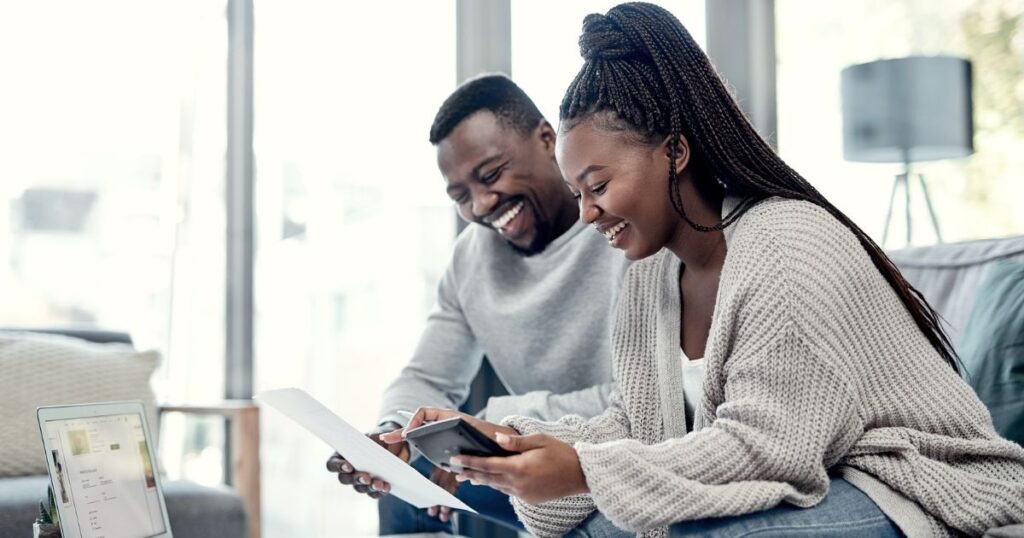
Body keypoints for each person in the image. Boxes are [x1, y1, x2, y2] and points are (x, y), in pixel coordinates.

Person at [385, 4, 1024, 537]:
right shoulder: (648, 278)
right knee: (601, 524)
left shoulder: (787, 244)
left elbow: (767, 447)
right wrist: (514, 438)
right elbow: (635, 427)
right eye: (578, 191)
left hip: (908, 484)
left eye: (599, 184)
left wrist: (585, 471)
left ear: (676, 151)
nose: (587, 215)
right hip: (815, 474)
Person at [326, 74, 631, 534]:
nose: (482, 203)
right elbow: (426, 377)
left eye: (490, 175)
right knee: (404, 487)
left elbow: (639, 402)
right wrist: (391, 438)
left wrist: (491, 426)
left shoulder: (623, 228)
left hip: (608, 459)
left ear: (547, 139)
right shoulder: (471, 257)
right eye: (460, 196)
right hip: (518, 450)